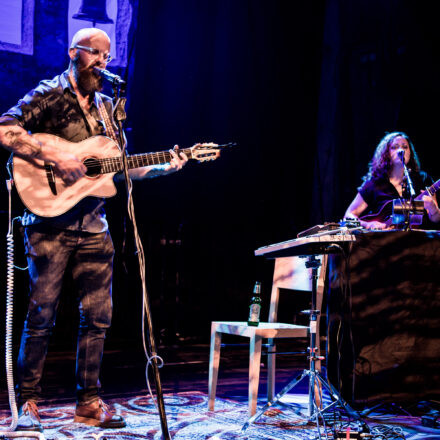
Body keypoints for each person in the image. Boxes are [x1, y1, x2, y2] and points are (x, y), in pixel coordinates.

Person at [0, 28, 191, 432]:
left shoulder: (108, 107)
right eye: (95, 53)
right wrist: (51, 152)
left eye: (108, 55)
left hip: (93, 225)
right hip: (49, 221)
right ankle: (29, 402)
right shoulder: (49, 93)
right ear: (74, 53)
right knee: (41, 316)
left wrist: (163, 165)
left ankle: (88, 402)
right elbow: (6, 129)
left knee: (99, 317)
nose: (103, 61)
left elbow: (118, 166)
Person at [344, 131, 440, 229]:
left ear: (410, 152)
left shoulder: (423, 179)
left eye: (405, 147)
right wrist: (368, 224)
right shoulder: (374, 184)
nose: (401, 150)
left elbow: (436, 219)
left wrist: (433, 208)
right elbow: (348, 215)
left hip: (418, 241)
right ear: (386, 154)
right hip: (384, 242)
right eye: (394, 147)